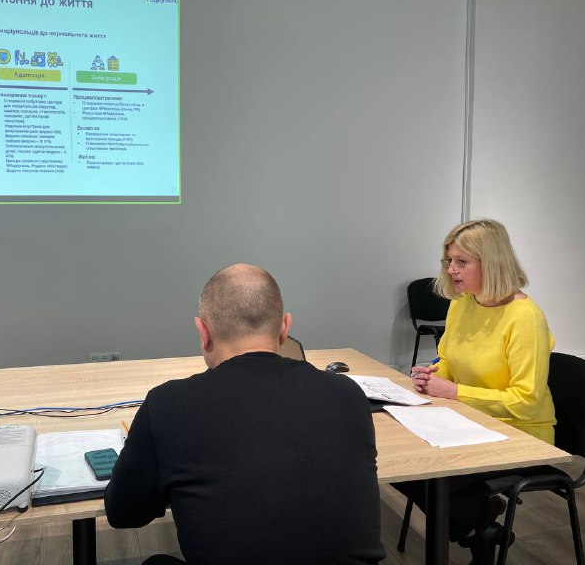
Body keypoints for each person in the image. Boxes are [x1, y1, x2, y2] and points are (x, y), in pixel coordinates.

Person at [105, 264, 385, 565]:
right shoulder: (348, 394)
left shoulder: (168, 403)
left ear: (203, 333)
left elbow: (123, 513)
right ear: (284, 329)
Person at [398, 219, 555, 565]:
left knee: (423, 475)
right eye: (448, 261)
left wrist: (454, 392)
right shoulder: (463, 303)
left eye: (461, 262)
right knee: (398, 467)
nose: (451, 270)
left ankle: (480, 522)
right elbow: (449, 361)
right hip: (471, 422)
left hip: (521, 434)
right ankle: (478, 529)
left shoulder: (525, 318)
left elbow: (527, 402)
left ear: (492, 262)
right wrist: (432, 374)